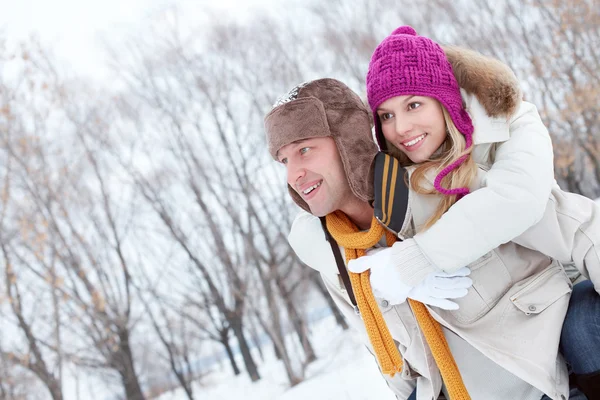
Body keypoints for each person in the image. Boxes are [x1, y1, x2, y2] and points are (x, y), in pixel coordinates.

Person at [265, 59, 597, 399]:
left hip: (543, 384)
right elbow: (388, 356)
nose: (294, 175)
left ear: (348, 143)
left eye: (305, 150)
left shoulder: (450, 185)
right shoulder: (339, 258)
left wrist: (423, 257)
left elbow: (580, 227)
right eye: (284, 160)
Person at [348, 25, 600, 398]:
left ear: (444, 101)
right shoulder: (394, 187)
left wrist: (416, 259)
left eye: (413, 104)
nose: (400, 128)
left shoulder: (509, 122)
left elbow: (528, 203)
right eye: (385, 116)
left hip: (548, 299)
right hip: (479, 357)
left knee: (583, 325)